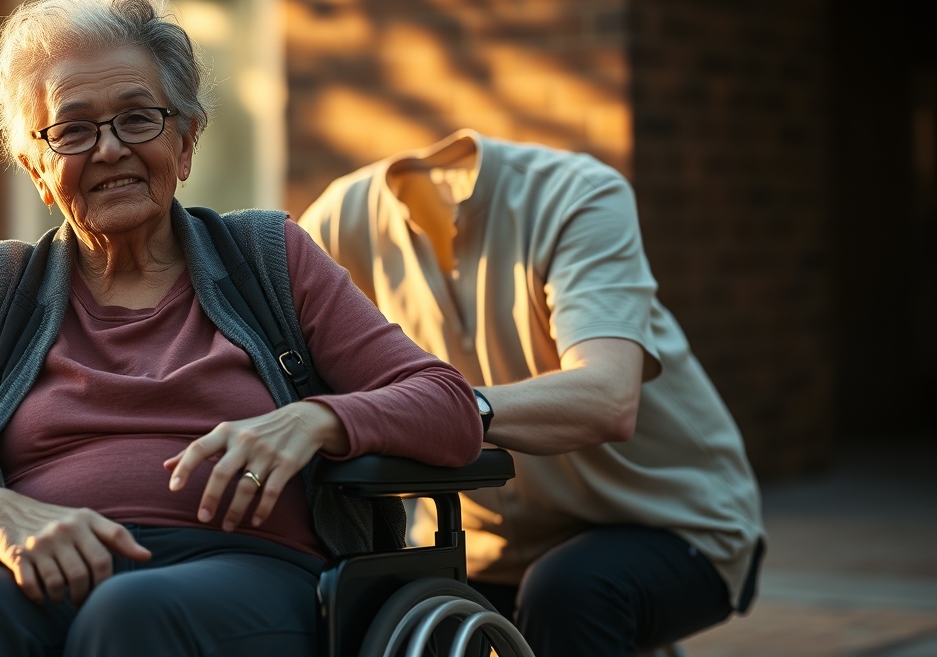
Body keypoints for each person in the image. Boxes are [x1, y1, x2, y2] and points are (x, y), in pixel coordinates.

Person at [0, 0, 483, 657]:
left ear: (187, 141)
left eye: (138, 118)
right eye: (73, 129)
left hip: (246, 578)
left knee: (131, 611)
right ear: (37, 168)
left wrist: (317, 420)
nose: (109, 149)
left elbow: (449, 408)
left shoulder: (269, 258)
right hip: (38, 572)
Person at [300, 130, 766, 657]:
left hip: (672, 524)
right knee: (351, 604)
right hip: (484, 549)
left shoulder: (577, 194)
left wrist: (439, 409)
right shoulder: (341, 219)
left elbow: (608, 398)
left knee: (571, 591)